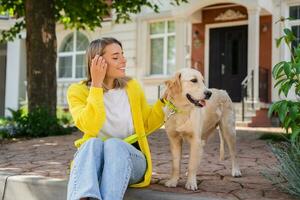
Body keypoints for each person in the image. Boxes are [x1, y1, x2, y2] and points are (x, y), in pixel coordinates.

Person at [66, 37, 165, 200]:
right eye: (115, 57)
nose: (123, 60)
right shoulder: (77, 91)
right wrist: (96, 86)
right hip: (96, 161)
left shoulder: (132, 86)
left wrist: (165, 103)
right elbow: (90, 126)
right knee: (91, 143)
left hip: (132, 161)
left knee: (114, 144)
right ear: (96, 62)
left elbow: (147, 122)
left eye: (122, 55)